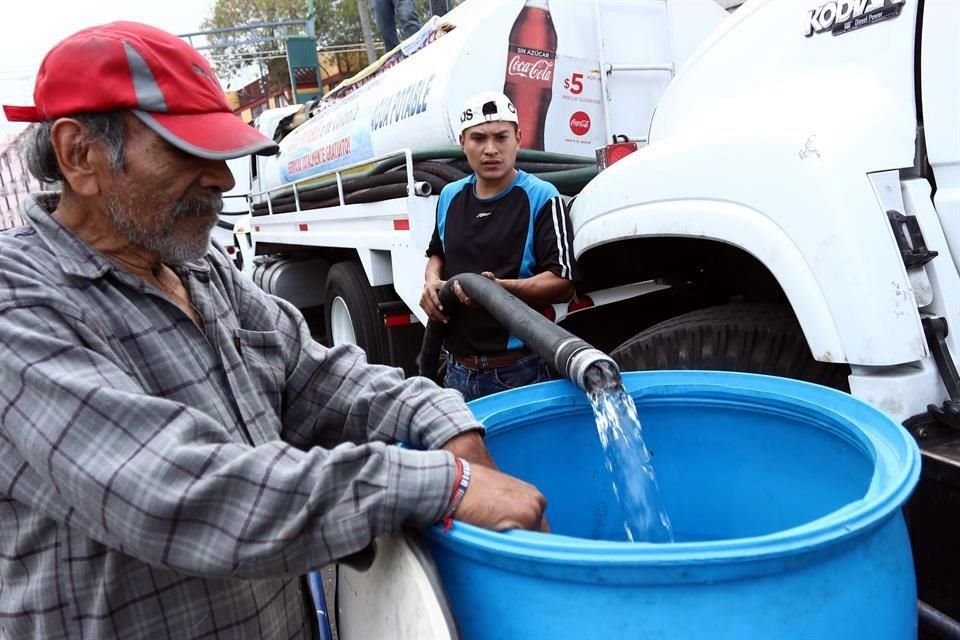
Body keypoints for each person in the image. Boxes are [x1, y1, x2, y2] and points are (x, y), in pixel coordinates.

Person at [0, 22, 546, 639]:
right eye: (188, 154)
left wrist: (442, 420)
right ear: (80, 156)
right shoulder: (20, 302)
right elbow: (175, 493)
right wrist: (443, 481)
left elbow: (319, 377)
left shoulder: (199, 271)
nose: (224, 181)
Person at [420, 91, 578, 401]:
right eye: (478, 138)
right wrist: (431, 282)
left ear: (518, 138)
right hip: (455, 373)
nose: (490, 149)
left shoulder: (541, 196)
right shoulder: (450, 196)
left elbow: (563, 284)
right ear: (462, 142)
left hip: (520, 371)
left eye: (501, 137)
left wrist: (495, 290)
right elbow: (437, 253)